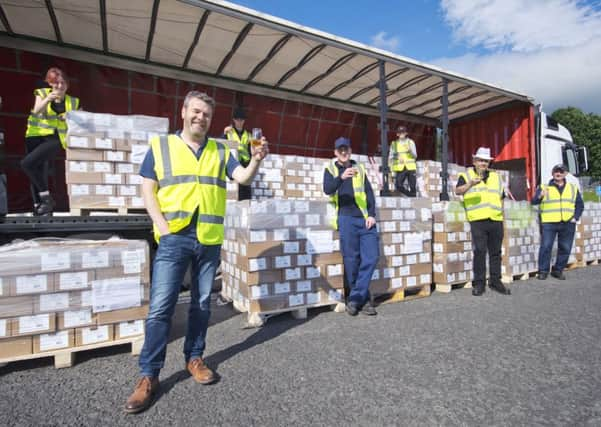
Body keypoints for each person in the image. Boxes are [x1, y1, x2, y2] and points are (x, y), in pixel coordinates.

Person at [125, 91, 268, 414]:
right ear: (184, 111)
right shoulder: (162, 146)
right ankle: (148, 375)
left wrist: (257, 159)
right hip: (174, 236)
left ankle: (194, 358)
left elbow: (242, 176)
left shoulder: (219, 149)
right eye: (196, 111)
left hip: (208, 237)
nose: (200, 117)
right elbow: (148, 187)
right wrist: (161, 226)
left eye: (206, 114)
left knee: (201, 305)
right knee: (161, 307)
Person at [323, 137, 379, 316]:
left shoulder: (359, 168)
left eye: (346, 149)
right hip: (345, 219)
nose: (344, 153)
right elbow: (327, 189)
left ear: (350, 150)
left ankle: (356, 297)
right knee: (351, 260)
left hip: (363, 219)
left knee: (372, 256)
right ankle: (360, 299)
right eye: (340, 150)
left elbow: (369, 193)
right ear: (335, 153)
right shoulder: (330, 168)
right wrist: (341, 177)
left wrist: (371, 214)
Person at [21, 67, 79, 215]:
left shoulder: (73, 101)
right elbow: (37, 110)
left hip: (55, 139)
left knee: (28, 164)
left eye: (62, 83)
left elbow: (81, 121)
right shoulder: (42, 93)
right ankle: (40, 206)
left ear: (67, 84)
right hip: (34, 137)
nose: (59, 86)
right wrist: (48, 99)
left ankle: (47, 201)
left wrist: (71, 117)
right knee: (36, 171)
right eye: (56, 83)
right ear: (50, 84)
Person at [455, 147, 511, 296]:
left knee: (495, 252)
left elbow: (501, 198)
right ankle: (479, 283)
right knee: (480, 251)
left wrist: (502, 218)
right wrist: (470, 184)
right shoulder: (466, 175)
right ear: (474, 161)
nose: (483, 163)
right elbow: (458, 191)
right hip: (478, 220)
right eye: (480, 160)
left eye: (485, 161)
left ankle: (495, 281)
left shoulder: (496, 177)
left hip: (495, 219)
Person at [532, 164, 584, 280]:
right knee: (546, 247)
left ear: (565, 174)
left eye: (561, 171)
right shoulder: (544, 187)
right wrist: (540, 196)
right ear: (552, 173)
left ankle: (558, 270)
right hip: (549, 222)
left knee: (565, 247)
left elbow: (580, 205)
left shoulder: (572, 188)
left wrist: (575, 217)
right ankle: (543, 271)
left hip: (567, 222)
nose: (558, 174)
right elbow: (534, 202)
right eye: (556, 171)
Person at [223, 107, 252, 200]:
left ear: (244, 121)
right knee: (236, 192)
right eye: (237, 119)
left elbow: (251, 150)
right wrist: (223, 134)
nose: (239, 121)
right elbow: (221, 145)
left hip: (245, 165)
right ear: (234, 120)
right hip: (233, 164)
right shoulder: (228, 132)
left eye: (242, 120)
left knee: (246, 192)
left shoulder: (248, 135)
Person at [390, 125, 417, 197]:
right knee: (398, 185)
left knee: (413, 187)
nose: (401, 134)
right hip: (400, 168)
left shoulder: (410, 142)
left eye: (403, 132)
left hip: (411, 167)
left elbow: (415, 156)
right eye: (400, 132)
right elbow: (391, 157)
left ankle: (413, 196)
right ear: (397, 134)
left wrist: (410, 151)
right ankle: (410, 195)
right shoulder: (394, 144)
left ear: (406, 133)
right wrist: (397, 157)